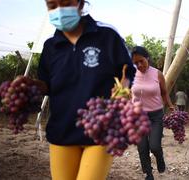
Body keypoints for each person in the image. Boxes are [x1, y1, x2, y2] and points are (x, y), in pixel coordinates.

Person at [37, 0, 136, 179]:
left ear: (81, 4)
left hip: (100, 131)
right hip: (62, 131)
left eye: (66, 3)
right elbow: (46, 85)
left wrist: (123, 89)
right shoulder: (50, 46)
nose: (59, 10)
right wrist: (30, 86)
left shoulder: (107, 36)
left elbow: (127, 71)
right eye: (52, 5)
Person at [130, 46, 174, 180]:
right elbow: (127, 94)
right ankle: (148, 174)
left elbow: (164, 92)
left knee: (154, 146)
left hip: (155, 115)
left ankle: (159, 158)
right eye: (135, 63)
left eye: (141, 61)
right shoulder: (131, 74)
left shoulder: (157, 74)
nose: (139, 65)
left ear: (147, 58)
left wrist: (170, 105)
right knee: (142, 148)